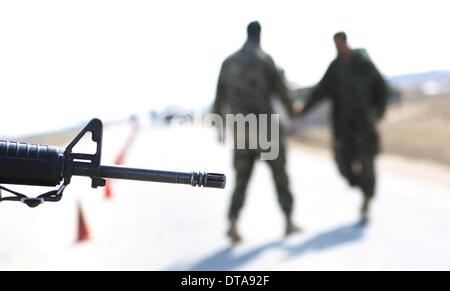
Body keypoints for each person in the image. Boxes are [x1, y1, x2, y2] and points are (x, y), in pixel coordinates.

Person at [213, 21, 301, 243]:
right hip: (266, 129)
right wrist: (292, 111)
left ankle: (232, 222)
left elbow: (219, 96)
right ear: (259, 36)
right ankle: (289, 220)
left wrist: (220, 125)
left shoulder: (229, 62)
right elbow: (281, 89)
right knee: (280, 175)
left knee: (241, 179)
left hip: (242, 130)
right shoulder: (265, 60)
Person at [300, 32, 389, 223]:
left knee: (367, 166)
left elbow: (381, 87)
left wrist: (377, 113)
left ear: (346, 42)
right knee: (343, 166)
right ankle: (358, 184)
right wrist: (302, 110)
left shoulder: (363, 63)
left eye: (340, 43)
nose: (338, 47)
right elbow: (320, 91)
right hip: (343, 128)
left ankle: (366, 201)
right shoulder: (335, 68)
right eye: (335, 44)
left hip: (364, 126)